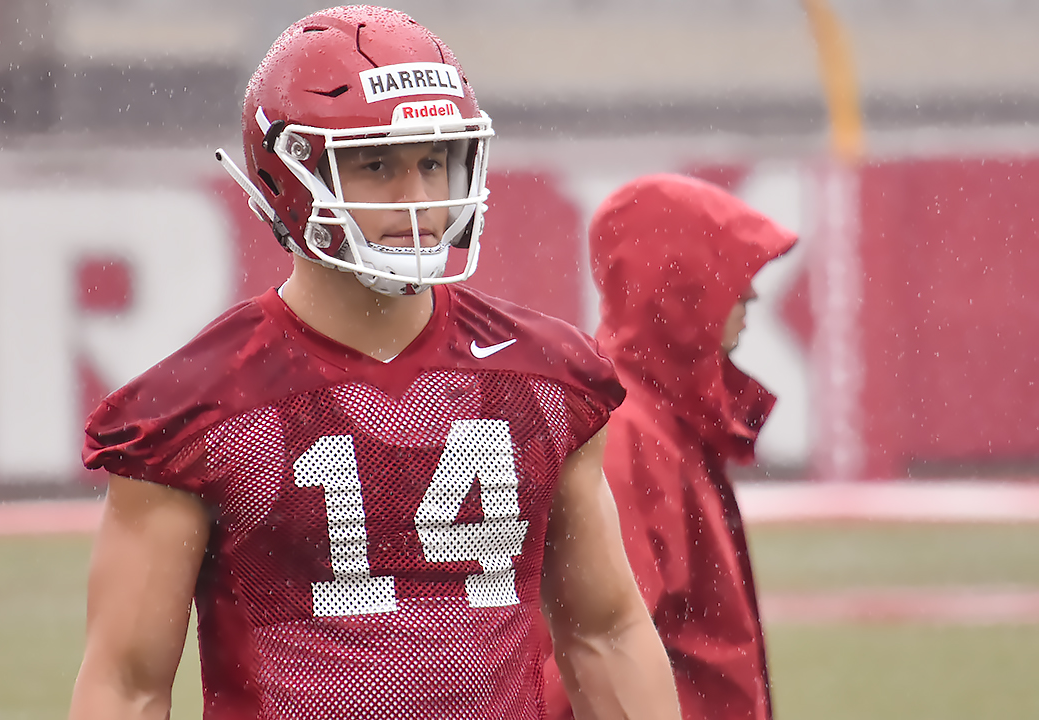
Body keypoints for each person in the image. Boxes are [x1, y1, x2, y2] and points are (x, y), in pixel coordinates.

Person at [68, 6, 681, 720]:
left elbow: (605, 633)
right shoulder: (199, 408)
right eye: (377, 164)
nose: (418, 199)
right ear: (289, 173)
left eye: (431, 161)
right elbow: (128, 684)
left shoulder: (543, 379)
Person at [546, 173, 796, 720]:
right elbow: (592, 648)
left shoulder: (661, 419)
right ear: (680, 286)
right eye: (730, 273)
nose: (752, 294)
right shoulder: (629, 433)